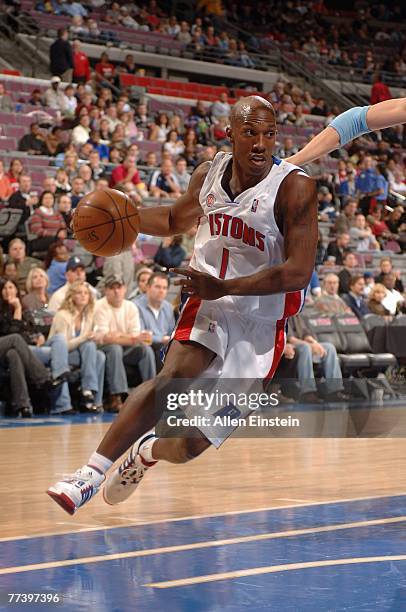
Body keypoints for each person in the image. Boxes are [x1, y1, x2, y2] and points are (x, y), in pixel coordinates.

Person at [47, 95, 319, 513]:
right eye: (250, 133)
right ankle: (89, 475)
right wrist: (118, 219)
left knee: (192, 442)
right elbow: (175, 220)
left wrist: (225, 287)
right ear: (229, 134)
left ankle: (147, 453)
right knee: (174, 378)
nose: (261, 143)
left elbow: (298, 272)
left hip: (263, 322)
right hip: (210, 301)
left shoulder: (295, 187)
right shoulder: (209, 174)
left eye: (269, 134)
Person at [93, 275, 157, 413]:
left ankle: (151, 394)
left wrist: (119, 335)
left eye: (119, 287)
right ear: (105, 290)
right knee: (114, 348)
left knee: (145, 349)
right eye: (112, 288)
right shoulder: (99, 306)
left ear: (125, 289)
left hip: (127, 348)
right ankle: (118, 396)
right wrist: (130, 338)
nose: (116, 291)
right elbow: (106, 338)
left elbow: (136, 336)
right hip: (103, 348)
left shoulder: (131, 306)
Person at [48, 281, 105, 412]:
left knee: (99, 355)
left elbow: (89, 340)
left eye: (86, 293)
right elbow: (62, 345)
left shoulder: (89, 315)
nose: (83, 296)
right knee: (90, 346)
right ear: (71, 296)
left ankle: (94, 399)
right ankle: (87, 391)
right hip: (58, 352)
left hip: (77, 353)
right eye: (79, 293)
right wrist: (84, 338)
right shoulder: (62, 315)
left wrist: (97, 336)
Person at [134, 273, 175, 372]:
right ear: (148, 287)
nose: (161, 291)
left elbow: (172, 332)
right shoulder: (135, 306)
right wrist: (162, 339)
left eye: (164, 288)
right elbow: (141, 335)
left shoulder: (168, 307)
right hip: (143, 346)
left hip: (164, 345)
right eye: (157, 287)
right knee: (161, 349)